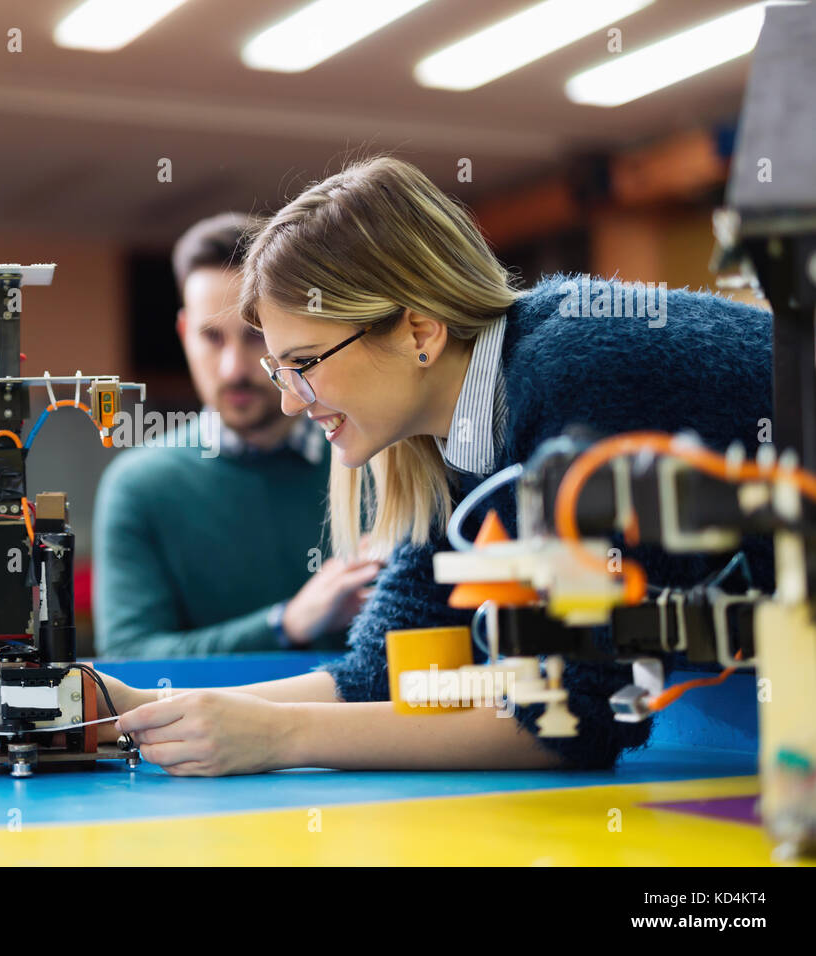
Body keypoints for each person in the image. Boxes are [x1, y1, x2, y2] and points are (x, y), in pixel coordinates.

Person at [92, 156, 776, 774]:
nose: (291, 402)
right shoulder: (447, 431)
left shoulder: (576, 375)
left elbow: (576, 718)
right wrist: (144, 709)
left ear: (419, 331)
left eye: (303, 366)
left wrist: (281, 737)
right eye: (281, 370)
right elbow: (387, 667)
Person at [92, 213, 380, 658]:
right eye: (211, 337)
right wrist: (286, 623)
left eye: (253, 336)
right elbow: (130, 657)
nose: (234, 370)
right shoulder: (138, 487)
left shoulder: (374, 460)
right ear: (184, 333)